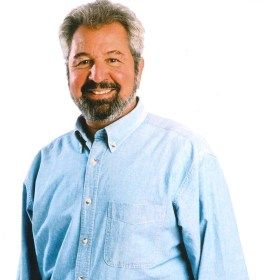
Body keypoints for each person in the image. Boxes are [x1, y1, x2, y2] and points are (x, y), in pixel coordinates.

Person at [17, 0, 248, 279]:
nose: (97, 75)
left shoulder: (185, 157)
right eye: (83, 61)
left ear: (139, 68)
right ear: (67, 70)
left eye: (113, 59)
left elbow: (223, 272)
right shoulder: (44, 165)